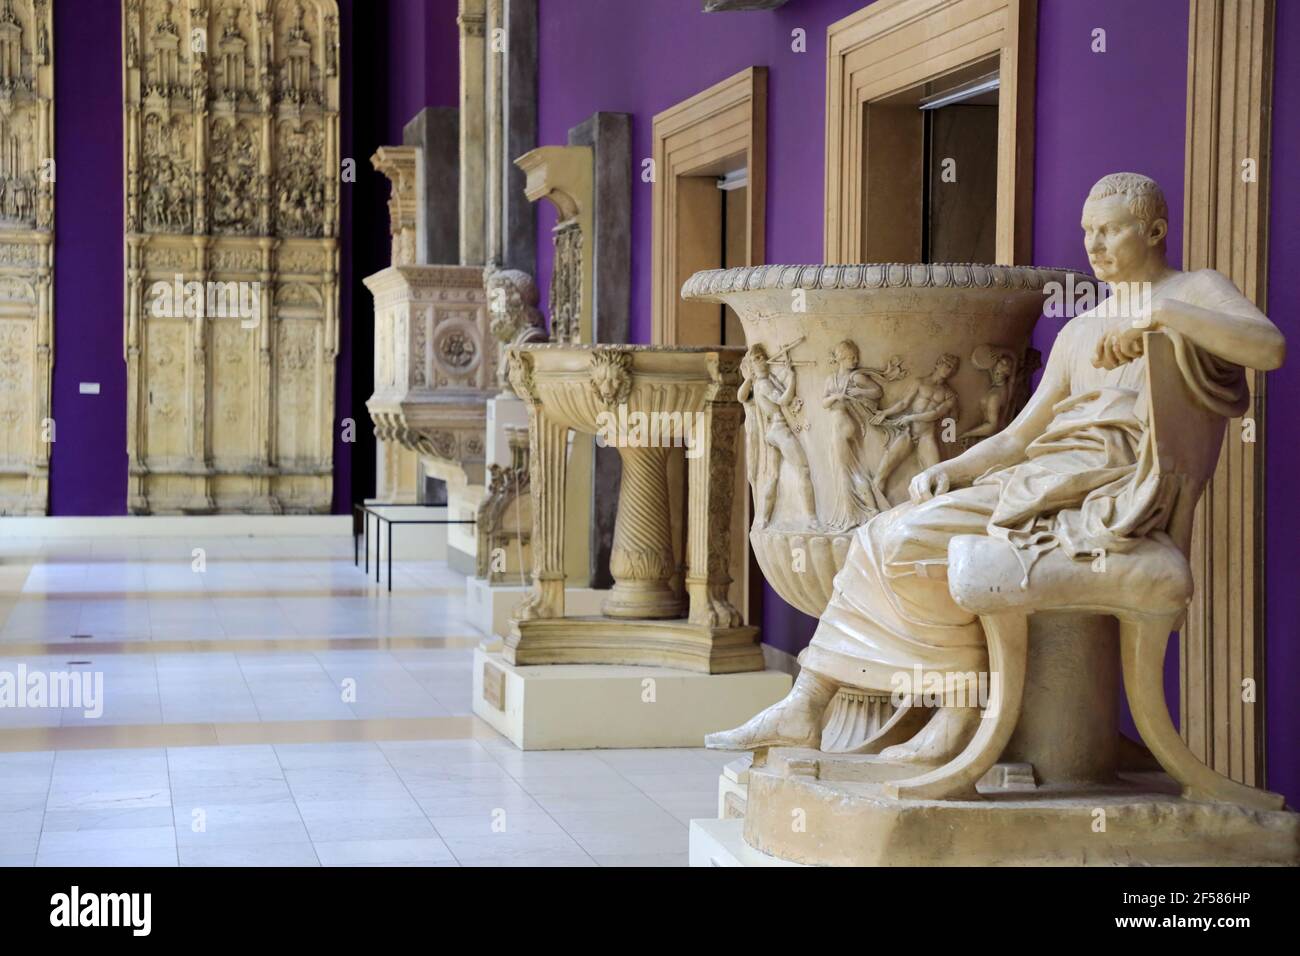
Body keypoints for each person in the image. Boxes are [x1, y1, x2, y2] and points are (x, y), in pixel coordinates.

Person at [707, 172, 1285, 762]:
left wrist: (1164, 319)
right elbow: (1017, 437)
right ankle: (812, 705)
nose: (1094, 245)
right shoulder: (1082, 330)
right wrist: (954, 472)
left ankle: (954, 714)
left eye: (1110, 230)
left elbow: (1268, 347)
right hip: (1043, 474)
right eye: (1088, 231)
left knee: (902, 537)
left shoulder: (1196, 291)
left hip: (1105, 489)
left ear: (1156, 231)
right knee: (880, 532)